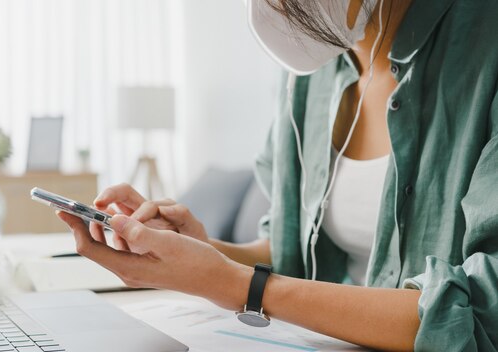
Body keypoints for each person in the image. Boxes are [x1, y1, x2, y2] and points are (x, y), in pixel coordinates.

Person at [57, 0, 498, 350]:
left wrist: (233, 284)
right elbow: (290, 253)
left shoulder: (483, 47)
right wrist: (200, 251)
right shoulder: (313, 70)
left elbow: (482, 311)